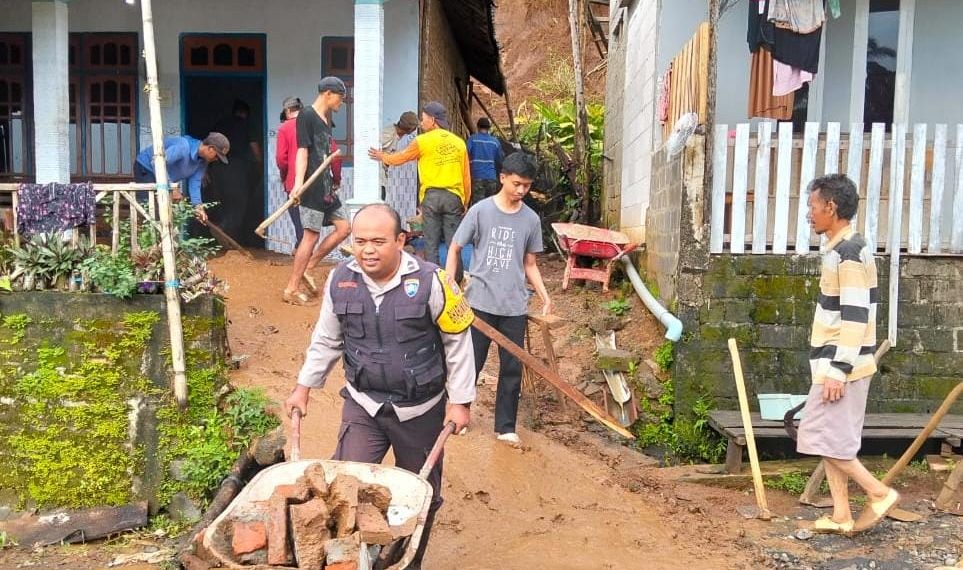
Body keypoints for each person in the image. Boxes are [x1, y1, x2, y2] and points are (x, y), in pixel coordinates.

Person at [283, 203, 475, 569]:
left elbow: (457, 342)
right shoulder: (340, 280)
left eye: (378, 241)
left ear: (400, 240)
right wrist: (303, 386)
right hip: (364, 403)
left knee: (420, 495)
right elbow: (326, 339)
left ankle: (408, 562)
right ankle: (349, 560)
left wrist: (460, 401)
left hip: (420, 408)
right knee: (344, 487)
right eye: (360, 242)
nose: (367, 250)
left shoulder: (433, 281)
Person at [796, 174, 899, 535]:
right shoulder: (842, 249)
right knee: (832, 439)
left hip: (843, 367)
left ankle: (879, 492)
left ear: (831, 207)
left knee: (819, 434)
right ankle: (841, 514)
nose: (809, 213)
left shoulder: (849, 253)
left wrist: (838, 369)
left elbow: (856, 316)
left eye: (813, 206)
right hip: (837, 364)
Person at [446, 152, 552, 448]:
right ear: (503, 178)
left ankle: (505, 426)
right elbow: (455, 248)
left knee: (511, 368)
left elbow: (530, 264)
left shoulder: (531, 219)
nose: (521, 190)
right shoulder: (480, 211)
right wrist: (449, 285)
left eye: (527, 186)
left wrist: (545, 296)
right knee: (471, 363)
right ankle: (459, 415)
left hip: (514, 306)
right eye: (517, 184)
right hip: (479, 304)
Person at [368, 101, 470, 278]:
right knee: (454, 243)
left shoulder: (422, 141)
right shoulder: (459, 143)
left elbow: (400, 158)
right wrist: (465, 201)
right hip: (453, 198)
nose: (421, 123)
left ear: (432, 120)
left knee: (431, 242)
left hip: (431, 198)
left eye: (423, 119)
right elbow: (466, 176)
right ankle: (456, 281)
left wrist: (382, 156)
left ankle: (433, 279)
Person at [282, 76, 351, 306]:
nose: (341, 102)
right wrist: (298, 184)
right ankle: (291, 288)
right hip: (312, 187)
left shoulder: (324, 119)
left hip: (326, 186)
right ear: (328, 93)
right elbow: (302, 151)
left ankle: (309, 267)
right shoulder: (307, 116)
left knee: (344, 227)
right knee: (310, 236)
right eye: (340, 97)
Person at [134, 132, 230, 226]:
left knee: (164, 211)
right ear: (210, 148)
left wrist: (198, 207)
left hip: (164, 178)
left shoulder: (202, 163)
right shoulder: (182, 147)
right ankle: (144, 232)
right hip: (146, 168)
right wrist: (173, 188)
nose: (216, 159)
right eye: (217, 156)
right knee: (147, 207)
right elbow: (157, 163)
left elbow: (195, 184)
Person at [211, 99, 262, 241]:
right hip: (237, 169)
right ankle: (225, 230)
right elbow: (255, 148)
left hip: (217, 167)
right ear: (246, 113)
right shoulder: (247, 124)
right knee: (239, 203)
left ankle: (223, 231)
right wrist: (260, 165)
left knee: (222, 201)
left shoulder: (221, 123)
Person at [276, 96, 305, 248]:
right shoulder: (313, 124)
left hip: (293, 182)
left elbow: (281, 158)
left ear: (288, 110)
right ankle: (301, 249)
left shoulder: (285, 128)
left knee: (299, 221)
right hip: (315, 181)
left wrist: (284, 175)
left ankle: (302, 250)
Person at [379, 111, 419, 200]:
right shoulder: (388, 134)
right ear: (410, 129)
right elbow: (371, 149)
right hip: (377, 179)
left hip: (382, 178)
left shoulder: (396, 135)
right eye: (415, 127)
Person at [466, 117, 504, 206]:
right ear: (489, 128)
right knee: (490, 205)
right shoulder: (495, 142)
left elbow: (465, 155)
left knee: (478, 205)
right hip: (491, 177)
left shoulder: (472, 139)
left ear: (478, 127)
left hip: (477, 177)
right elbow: (500, 160)